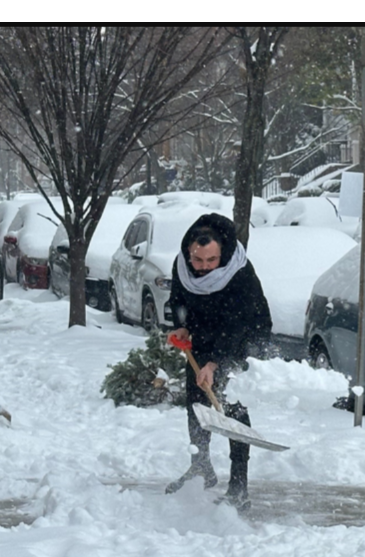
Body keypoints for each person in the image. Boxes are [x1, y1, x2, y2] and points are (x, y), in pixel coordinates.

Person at [165, 212, 272, 512]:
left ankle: (239, 484)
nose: (203, 267)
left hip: (244, 336)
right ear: (189, 252)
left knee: (232, 406)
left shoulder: (238, 270)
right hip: (204, 334)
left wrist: (217, 363)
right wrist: (181, 326)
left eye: (211, 260)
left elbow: (237, 322)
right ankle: (200, 466)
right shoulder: (183, 265)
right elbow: (178, 298)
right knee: (196, 401)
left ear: (221, 253)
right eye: (198, 260)